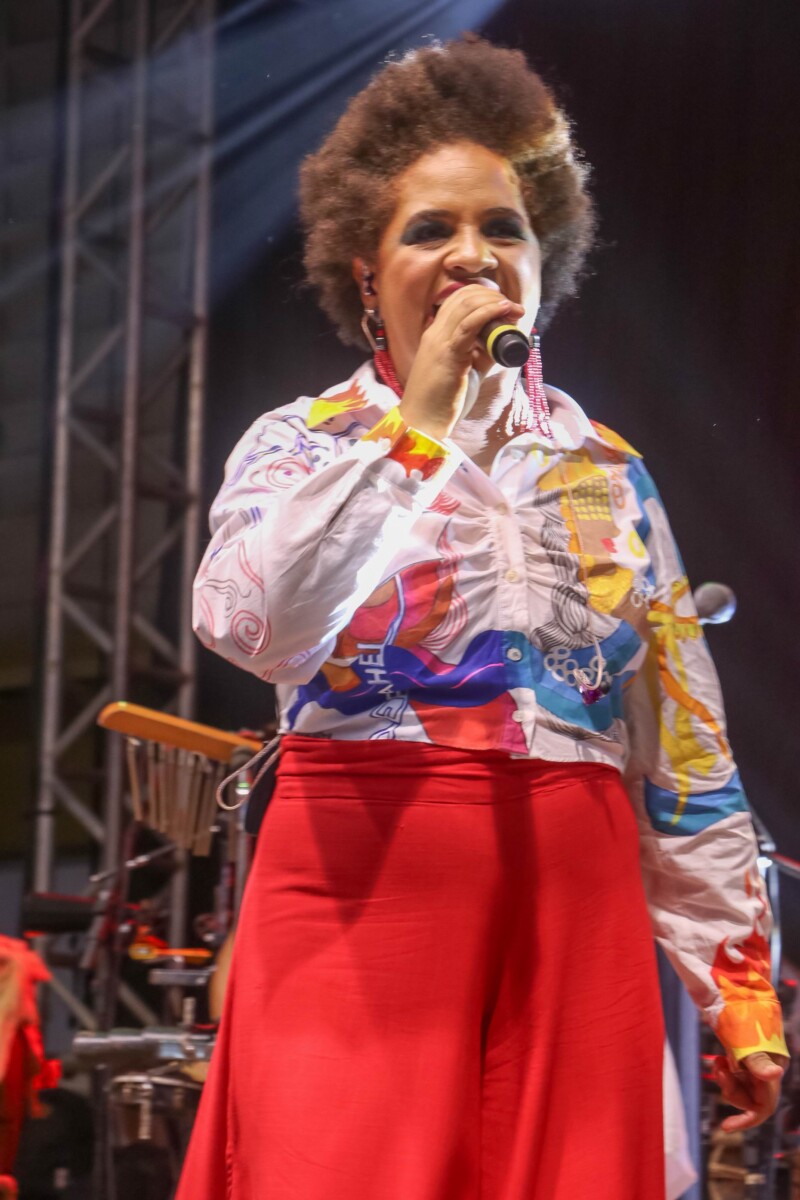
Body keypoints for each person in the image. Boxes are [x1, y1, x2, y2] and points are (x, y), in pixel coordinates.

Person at [177, 37, 788, 1200]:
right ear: (366, 270)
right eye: (429, 230)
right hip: (360, 890)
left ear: (540, 263)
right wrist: (416, 433)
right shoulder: (302, 444)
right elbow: (253, 626)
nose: (471, 255)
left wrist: (734, 981)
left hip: (573, 907)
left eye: (502, 229)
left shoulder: (609, 472)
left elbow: (683, 745)